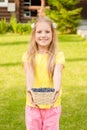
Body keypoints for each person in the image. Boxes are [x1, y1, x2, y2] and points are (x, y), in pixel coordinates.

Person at [22, 16, 65, 130]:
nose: (43, 35)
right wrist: (30, 89)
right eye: (39, 32)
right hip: (33, 104)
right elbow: (29, 74)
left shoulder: (58, 55)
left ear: (52, 34)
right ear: (34, 35)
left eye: (47, 31)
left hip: (52, 105)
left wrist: (56, 88)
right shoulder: (28, 56)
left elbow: (57, 73)